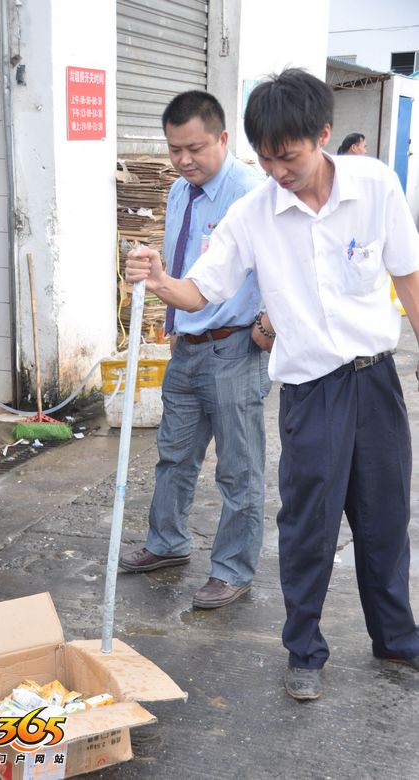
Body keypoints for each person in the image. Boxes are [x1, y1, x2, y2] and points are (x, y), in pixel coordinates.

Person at [126, 68, 419, 700]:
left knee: (386, 518)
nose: (277, 172)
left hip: (377, 383)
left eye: (288, 157)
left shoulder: (375, 186)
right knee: (309, 527)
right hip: (311, 392)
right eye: (266, 160)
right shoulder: (253, 212)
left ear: (323, 135)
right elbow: (200, 289)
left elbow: (408, 276)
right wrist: (157, 279)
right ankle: (304, 651)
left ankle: (396, 639)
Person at [119, 91, 271, 610]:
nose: (184, 160)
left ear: (223, 139)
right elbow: (182, 261)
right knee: (174, 455)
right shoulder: (182, 191)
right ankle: (167, 544)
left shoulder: (252, 193)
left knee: (238, 469)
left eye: (195, 148)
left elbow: (282, 267)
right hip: (187, 345)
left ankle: (232, 570)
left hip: (235, 350)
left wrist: (269, 324)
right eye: (174, 149)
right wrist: (172, 316)